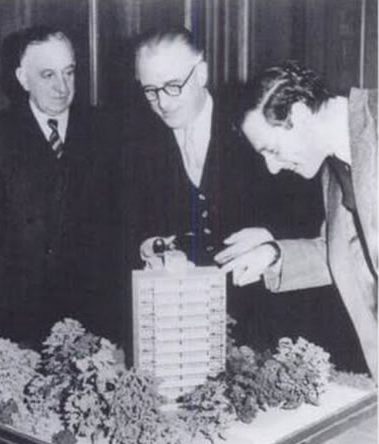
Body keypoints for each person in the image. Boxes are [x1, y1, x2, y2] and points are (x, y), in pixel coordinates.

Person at [123, 27, 354, 361]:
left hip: (276, 317)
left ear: (201, 73)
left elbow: (323, 224)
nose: (163, 101)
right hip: (189, 324)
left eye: (173, 85)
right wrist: (149, 245)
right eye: (150, 91)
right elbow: (121, 221)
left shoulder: (257, 115)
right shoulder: (132, 137)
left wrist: (272, 238)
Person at [215, 61, 377, 379]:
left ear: (300, 115)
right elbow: (349, 253)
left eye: (272, 150)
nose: (272, 168)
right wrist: (272, 254)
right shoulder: (333, 169)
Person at [0, 26, 122, 348]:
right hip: (22, 323)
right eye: (48, 75)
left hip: (96, 320)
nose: (62, 87)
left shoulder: (106, 130)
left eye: (68, 72)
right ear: (23, 78)